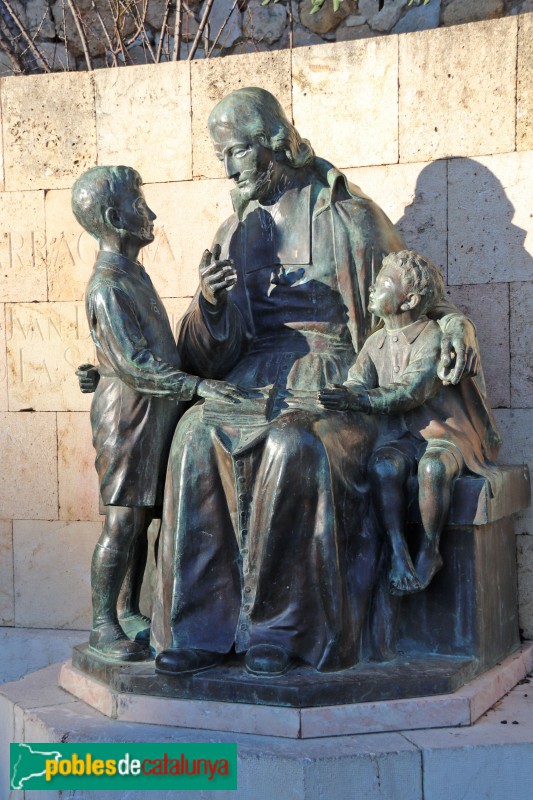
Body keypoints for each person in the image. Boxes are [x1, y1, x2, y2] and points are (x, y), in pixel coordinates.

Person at [150, 88, 483, 677]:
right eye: (221, 155)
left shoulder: (349, 218)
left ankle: (281, 630)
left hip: (338, 376)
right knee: (194, 439)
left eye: (235, 152)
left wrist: (456, 325)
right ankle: (198, 626)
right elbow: (207, 351)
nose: (227, 168)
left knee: (293, 444)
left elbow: (422, 294)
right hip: (253, 377)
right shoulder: (237, 229)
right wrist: (211, 303)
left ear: (273, 144)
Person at [73, 165, 246, 660]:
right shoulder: (107, 285)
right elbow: (135, 364)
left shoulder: (132, 273)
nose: (150, 213)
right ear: (113, 217)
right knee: (122, 522)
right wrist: (199, 387)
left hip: (154, 411)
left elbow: (131, 351)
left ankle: (129, 610)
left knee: (146, 519)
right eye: (137, 205)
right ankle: (103, 625)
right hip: (129, 416)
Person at [319, 250, 501, 596]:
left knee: (432, 469)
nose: (372, 287)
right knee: (384, 467)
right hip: (399, 435)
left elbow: (410, 391)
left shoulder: (432, 336)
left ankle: (430, 550)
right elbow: (357, 382)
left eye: (383, 282)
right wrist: (338, 395)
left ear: (410, 300)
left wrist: (358, 399)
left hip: (444, 433)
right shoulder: (375, 342)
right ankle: (398, 550)